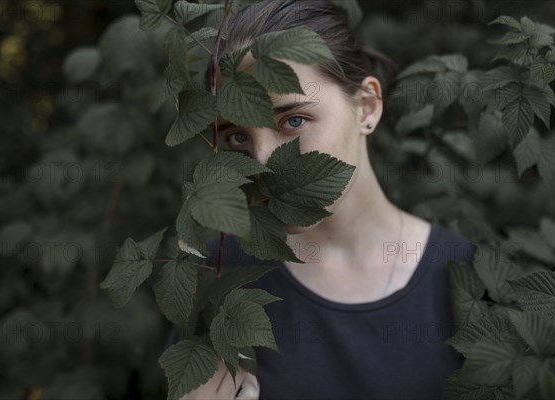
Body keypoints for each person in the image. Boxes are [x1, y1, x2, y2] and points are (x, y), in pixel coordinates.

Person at [180, 0, 476, 399]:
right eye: (238, 137)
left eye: (293, 120)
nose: (263, 161)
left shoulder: (469, 279)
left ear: (367, 107)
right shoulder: (218, 275)